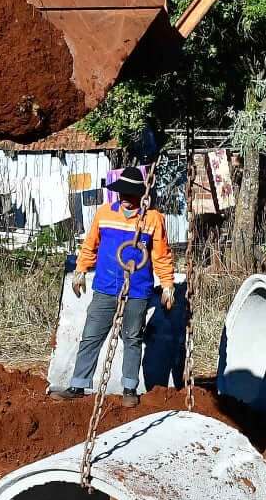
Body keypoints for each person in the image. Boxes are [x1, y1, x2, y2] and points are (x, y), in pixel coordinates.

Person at [54, 166, 175, 408]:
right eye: (123, 194)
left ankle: (129, 388)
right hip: (105, 287)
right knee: (91, 336)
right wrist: (80, 270)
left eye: (131, 195)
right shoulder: (104, 214)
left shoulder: (152, 219)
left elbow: (161, 256)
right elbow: (90, 245)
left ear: (141, 195)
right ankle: (78, 384)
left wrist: (168, 284)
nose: (126, 200)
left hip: (138, 291)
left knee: (132, 338)